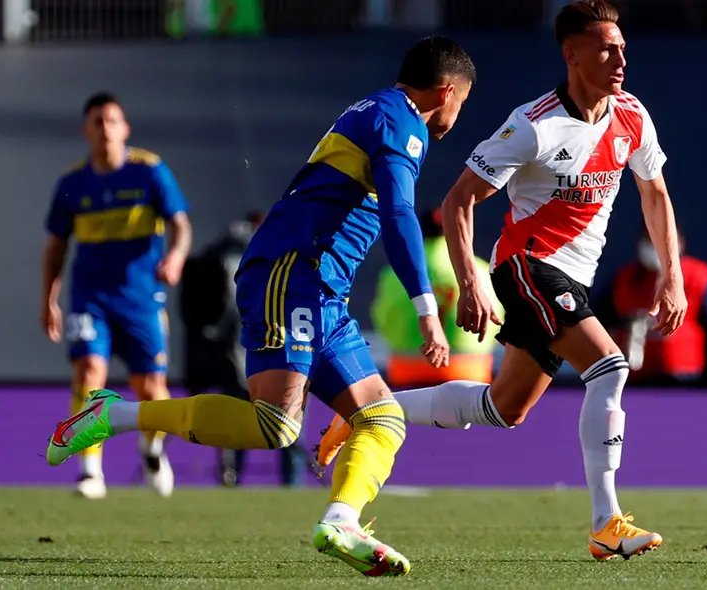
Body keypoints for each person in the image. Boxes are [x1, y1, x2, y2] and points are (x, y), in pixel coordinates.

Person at [46, 36, 475, 577]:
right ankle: (112, 414)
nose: (458, 115)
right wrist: (426, 309)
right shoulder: (401, 120)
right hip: (290, 272)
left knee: (382, 419)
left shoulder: (380, 110)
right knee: (278, 426)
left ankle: (342, 520)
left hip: (323, 291)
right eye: (462, 103)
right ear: (447, 91)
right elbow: (398, 215)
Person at [317, 0, 686, 562]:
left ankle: (373, 410)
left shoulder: (632, 116)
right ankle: (606, 523)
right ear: (572, 54)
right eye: (606, 48)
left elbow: (654, 194)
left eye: (622, 48)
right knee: (609, 367)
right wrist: (472, 281)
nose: (619, 58)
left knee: (504, 408)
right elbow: (459, 199)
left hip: (572, 279)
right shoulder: (534, 124)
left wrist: (672, 277)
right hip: (526, 266)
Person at [40, 92, 193, 500]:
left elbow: (180, 225)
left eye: (112, 120)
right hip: (92, 298)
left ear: (125, 128)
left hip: (142, 300)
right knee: (89, 372)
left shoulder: (150, 172)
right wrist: (49, 299)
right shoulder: (73, 183)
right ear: (85, 130)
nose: (105, 128)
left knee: (150, 389)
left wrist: (175, 258)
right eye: (97, 121)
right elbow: (55, 246)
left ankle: (151, 448)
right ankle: (90, 471)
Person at [180, 211, 309, 487]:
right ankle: (291, 485)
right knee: (284, 419)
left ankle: (233, 481)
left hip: (236, 355)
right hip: (274, 352)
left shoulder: (219, 254)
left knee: (241, 421)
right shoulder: (273, 256)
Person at [370, 207, 501, 387]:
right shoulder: (479, 270)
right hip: (468, 367)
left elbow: (382, 315)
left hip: (407, 367)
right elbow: (497, 317)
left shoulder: (394, 273)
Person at [610, 225, 707, 387]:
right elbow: (600, 323)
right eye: (650, 240)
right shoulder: (624, 279)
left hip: (685, 379)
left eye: (665, 240)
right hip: (635, 380)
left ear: (680, 243)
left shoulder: (698, 277)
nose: (656, 246)